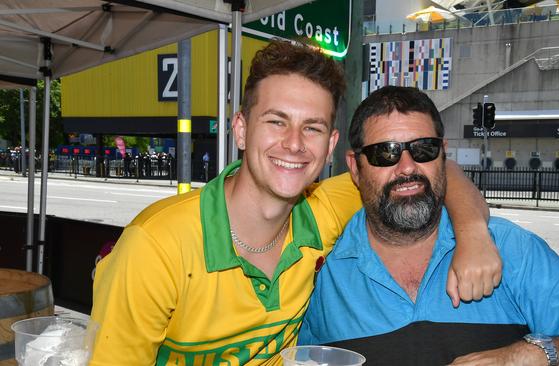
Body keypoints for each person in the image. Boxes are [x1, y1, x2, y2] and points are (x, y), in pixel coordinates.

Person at [90, 41, 501, 366]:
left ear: (330, 148)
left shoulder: (325, 209)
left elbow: (437, 173)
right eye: (276, 121)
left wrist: (472, 233)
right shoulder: (157, 246)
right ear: (241, 129)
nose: (294, 143)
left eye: (312, 127)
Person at [298, 86, 559, 365]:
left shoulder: (511, 249)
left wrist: (530, 355)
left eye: (424, 149)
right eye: (384, 153)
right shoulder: (319, 270)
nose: (407, 167)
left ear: (443, 155)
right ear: (355, 168)